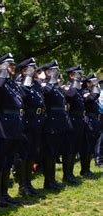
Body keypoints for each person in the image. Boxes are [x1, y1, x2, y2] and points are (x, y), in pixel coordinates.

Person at [0, 53, 23, 207]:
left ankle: (4, 193)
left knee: (8, 161)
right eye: (9, 65)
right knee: (1, 161)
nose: (13, 68)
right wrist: (2, 71)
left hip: (14, 124)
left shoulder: (11, 83)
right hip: (2, 125)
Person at [15, 58, 45, 195]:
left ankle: (29, 183)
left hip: (36, 121)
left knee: (32, 153)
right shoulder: (19, 82)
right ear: (23, 70)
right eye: (30, 69)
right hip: (26, 121)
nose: (33, 71)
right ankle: (22, 185)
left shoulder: (36, 84)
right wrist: (26, 79)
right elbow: (22, 96)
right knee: (23, 155)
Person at [40, 61, 72, 190]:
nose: (56, 73)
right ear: (47, 72)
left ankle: (52, 180)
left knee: (54, 154)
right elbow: (46, 93)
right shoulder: (46, 85)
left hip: (59, 122)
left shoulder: (56, 87)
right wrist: (52, 80)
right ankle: (48, 181)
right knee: (50, 153)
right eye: (53, 71)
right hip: (50, 123)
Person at [61, 65, 85, 184]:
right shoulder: (68, 86)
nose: (80, 77)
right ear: (71, 76)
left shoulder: (77, 88)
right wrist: (75, 83)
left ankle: (70, 172)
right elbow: (69, 96)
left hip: (79, 120)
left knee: (74, 148)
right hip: (71, 119)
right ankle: (67, 174)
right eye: (77, 74)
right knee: (69, 149)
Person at [81, 73, 101, 177]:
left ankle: (87, 169)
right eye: (91, 82)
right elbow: (90, 98)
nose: (93, 84)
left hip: (94, 119)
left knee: (91, 146)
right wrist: (95, 87)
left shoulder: (90, 91)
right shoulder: (84, 92)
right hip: (88, 120)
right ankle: (84, 170)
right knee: (87, 147)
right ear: (87, 83)